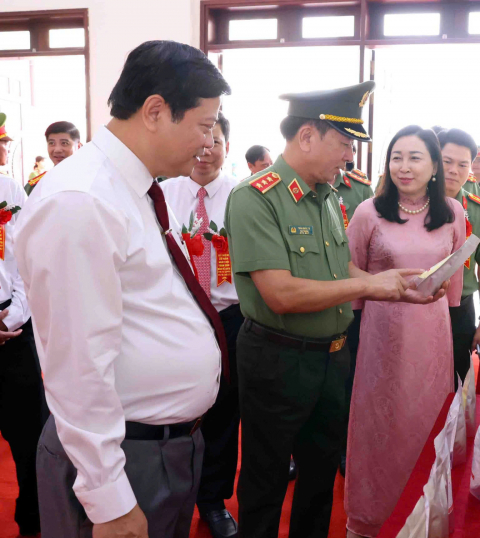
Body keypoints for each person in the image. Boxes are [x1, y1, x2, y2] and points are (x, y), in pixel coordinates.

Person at [15, 40, 232, 538]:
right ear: (155, 111)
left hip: (165, 447)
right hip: (122, 457)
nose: (207, 143)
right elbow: (76, 365)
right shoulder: (82, 201)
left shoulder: (136, 189)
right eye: (202, 125)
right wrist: (107, 496)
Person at [225, 81, 446, 538]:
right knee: (266, 480)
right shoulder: (256, 198)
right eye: (344, 144)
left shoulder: (327, 194)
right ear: (308, 137)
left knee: (321, 475)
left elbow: (336, 265)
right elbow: (280, 293)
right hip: (278, 357)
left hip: (333, 354)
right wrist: (366, 286)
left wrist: (388, 285)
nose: (349, 156)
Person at [344, 125, 464, 538]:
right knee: (380, 425)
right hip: (383, 334)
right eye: (396, 157)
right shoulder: (369, 212)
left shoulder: (453, 212)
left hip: (432, 334)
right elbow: (348, 270)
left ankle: (423, 518)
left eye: (415, 157)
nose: (404, 166)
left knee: (426, 423)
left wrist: (449, 302)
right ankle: (368, 520)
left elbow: (454, 281)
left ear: (434, 166)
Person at [160, 111, 243, 538]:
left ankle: (212, 499)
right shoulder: (161, 192)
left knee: (225, 411)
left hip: (229, 317)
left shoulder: (243, 196)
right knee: (177, 409)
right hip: (177, 314)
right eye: (201, 140)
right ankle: (171, 489)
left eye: (216, 141)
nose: (206, 150)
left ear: (228, 146)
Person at [0, 112, 47, 538]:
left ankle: (32, 520)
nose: (4, 150)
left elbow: (22, 260)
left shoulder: (11, 189)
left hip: (11, 331)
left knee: (30, 437)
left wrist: (14, 313)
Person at [438, 128, 480, 385]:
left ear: (471, 169)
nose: (454, 170)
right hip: (412, 308)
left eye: (462, 164)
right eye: (447, 162)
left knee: (456, 385)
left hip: (459, 312)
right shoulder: (409, 204)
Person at [330, 141, 374, 477]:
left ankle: (346, 447)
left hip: (355, 301)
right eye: (343, 144)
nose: (349, 155)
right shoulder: (272, 193)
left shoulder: (359, 190)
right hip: (340, 303)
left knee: (351, 380)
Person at [25, 121, 83, 195]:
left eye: (64, 143)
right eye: (51, 143)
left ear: (78, 146)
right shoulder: (35, 187)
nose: (57, 150)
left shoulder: (89, 181)